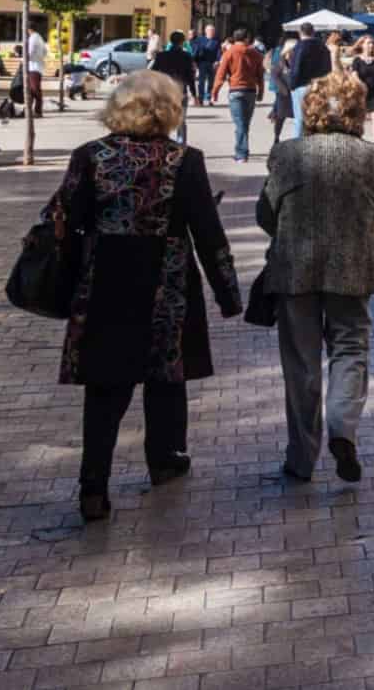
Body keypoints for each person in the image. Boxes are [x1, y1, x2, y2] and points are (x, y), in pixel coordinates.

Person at [43, 71, 241, 521]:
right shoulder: (184, 160)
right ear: (168, 111)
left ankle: (94, 484)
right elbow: (208, 233)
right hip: (166, 281)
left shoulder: (90, 156)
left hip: (105, 279)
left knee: (105, 384)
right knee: (166, 373)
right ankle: (165, 458)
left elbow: (65, 217)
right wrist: (228, 294)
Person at [257, 72, 374, 484]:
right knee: (350, 348)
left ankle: (301, 458)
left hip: (294, 269)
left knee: (301, 362)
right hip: (352, 268)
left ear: (311, 109)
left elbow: (266, 215)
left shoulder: (286, 154)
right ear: (357, 111)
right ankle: (342, 427)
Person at [215, 29, 266, 163]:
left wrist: (215, 92)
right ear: (247, 38)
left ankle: (241, 153)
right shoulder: (255, 54)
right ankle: (243, 151)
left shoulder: (229, 52)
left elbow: (221, 74)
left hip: (235, 91)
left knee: (240, 124)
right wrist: (261, 91)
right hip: (250, 91)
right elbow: (260, 75)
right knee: (244, 124)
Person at [286, 25, 333, 140]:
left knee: (300, 118)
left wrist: (292, 85)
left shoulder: (300, 46)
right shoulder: (323, 47)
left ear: (300, 32)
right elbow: (328, 68)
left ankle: (297, 145)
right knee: (317, 117)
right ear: (313, 32)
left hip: (302, 85)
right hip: (319, 86)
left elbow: (296, 68)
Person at [349, 36, 374, 143]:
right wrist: (362, 85)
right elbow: (354, 75)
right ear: (362, 45)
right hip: (361, 93)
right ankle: (358, 140)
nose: (371, 45)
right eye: (368, 43)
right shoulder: (357, 60)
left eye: (372, 43)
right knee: (359, 118)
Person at [268, 38, 296, 146]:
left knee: (298, 117)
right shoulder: (280, 61)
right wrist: (283, 89)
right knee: (280, 117)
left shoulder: (297, 61)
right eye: (294, 49)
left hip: (295, 93)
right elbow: (275, 75)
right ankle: (276, 137)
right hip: (284, 94)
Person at [189, 22, 220, 106]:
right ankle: (201, 98)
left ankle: (209, 98)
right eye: (210, 31)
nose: (212, 32)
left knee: (211, 81)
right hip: (202, 62)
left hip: (212, 63)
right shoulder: (200, 39)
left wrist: (217, 60)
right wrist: (194, 61)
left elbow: (219, 52)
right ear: (206, 31)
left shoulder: (217, 40)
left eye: (213, 31)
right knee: (201, 82)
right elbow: (196, 50)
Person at [25, 25, 47, 118]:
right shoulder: (40, 38)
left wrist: (24, 60)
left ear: (29, 29)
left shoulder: (33, 38)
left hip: (33, 67)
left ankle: (37, 111)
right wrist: (39, 58)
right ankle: (30, 110)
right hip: (38, 67)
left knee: (35, 90)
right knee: (33, 90)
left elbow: (29, 52)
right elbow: (45, 52)